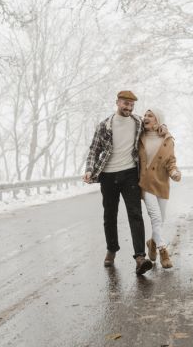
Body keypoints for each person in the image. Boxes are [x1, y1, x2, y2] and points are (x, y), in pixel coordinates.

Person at [83, 91, 154, 276]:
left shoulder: (138, 122)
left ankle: (140, 257)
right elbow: (94, 149)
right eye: (125, 104)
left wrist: (163, 128)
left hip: (130, 173)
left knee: (135, 213)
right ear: (117, 103)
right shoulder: (104, 125)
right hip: (107, 176)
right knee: (110, 215)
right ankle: (111, 250)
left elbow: (154, 126)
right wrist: (89, 169)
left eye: (131, 105)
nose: (129, 108)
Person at [138, 109, 181, 268]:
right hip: (146, 183)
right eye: (145, 115)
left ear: (158, 119)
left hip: (162, 183)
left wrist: (174, 172)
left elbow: (170, 161)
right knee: (156, 218)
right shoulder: (139, 136)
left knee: (160, 221)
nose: (146, 118)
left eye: (150, 115)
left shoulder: (167, 139)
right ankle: (163, 251)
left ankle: (152, 243)